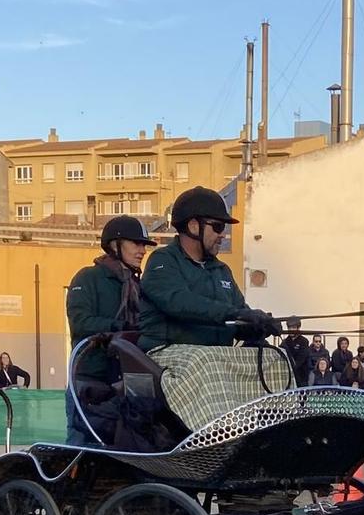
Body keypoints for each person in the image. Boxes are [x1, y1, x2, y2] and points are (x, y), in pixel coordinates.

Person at [137, 186, 277, 351]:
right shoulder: (163, 261)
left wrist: (258, 325)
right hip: (170, 353)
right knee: (210, 370)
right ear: (194, 226)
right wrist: (233, 314)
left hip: (215, 358)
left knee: (278, 363)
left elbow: (238, 314)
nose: (222, 235)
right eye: (218, 226)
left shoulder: (221, 270)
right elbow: (179, 302)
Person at [65, 215, 164, 447]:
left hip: (125, 382)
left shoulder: (140, 286)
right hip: (89, 379)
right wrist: (117, 328)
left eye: (144, 245)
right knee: (80, 446)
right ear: (114, 245)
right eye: (135, 243)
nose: (142, 250)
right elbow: (80, 321)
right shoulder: (88, 277)